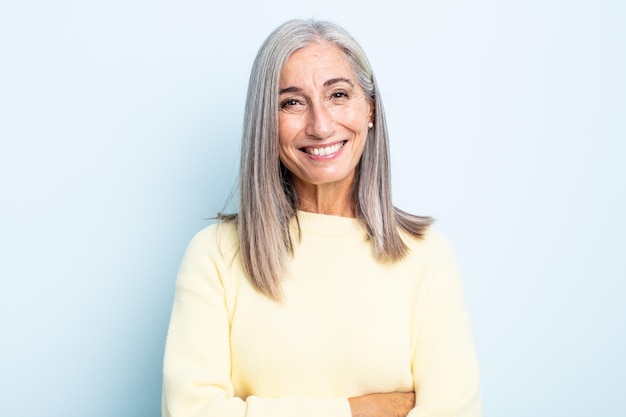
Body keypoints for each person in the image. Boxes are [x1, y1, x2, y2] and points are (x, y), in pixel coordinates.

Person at [162, 19, 481, 417]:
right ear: (266, 121)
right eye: (292, 102)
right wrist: (360, 410)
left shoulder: (425, 255)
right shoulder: (214, 256)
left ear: (370, 109)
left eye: (338, 94)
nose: (321, 125)